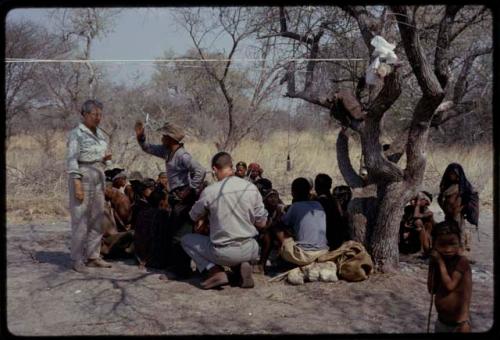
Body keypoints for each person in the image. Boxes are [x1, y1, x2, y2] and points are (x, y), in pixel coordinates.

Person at [181, 152, 268, 289]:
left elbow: (193, 216)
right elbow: (262, 223)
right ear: (231, 167)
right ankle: (242, 265)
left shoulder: (210, 191)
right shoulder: (250, 187)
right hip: (251, 249)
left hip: (224, 252)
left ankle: (214, 271)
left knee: (186, 240)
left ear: (215, 169)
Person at [135, 120, 206, 277]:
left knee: (180, 235)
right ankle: (180, 268)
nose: (161, 138)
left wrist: (189, 190)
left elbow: (200, 171)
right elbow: (147, 148)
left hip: (183, 198)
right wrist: (141, 138)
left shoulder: (182, 155)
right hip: (177, 197)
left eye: (164, 136)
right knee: (176, 232)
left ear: (171, 138)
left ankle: (181, 271)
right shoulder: (167, 151)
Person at [67, 99, 113, 273]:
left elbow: (103, 157)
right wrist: (77, 183)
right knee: (80, 219)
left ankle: (93, 256)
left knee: (97, 217)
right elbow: (72, 159)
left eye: (100, 114)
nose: (98, 118)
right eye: (95, 114)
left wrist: (107, 161)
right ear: (85, 114)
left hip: (98, 174)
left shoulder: (101, 133)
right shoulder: (76, 134)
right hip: (83, 174)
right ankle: (77, 259)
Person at [428, 220, 472, 333]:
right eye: (442, 244)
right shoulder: (440, 262)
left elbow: (450, 286)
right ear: (435, 245)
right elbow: (431, 289)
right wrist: (433, 264)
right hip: (442, 322)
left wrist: (440, 262)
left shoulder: (462, 262)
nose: (448, 249)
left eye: (452, 243)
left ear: (459, 243)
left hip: (459, 325)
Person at [276, 177, 329, 267]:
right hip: (323, 251)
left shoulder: (295, 206)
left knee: (276, 228)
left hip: (305, 255)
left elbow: (283, 223)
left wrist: (278, 213)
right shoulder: (318, 204)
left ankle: (281, 257)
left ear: (293, 192)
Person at [438, 163, 479, 254]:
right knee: (449, 230)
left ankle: (461, 248)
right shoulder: (446, 186)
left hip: (457, 213)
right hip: (448, 213)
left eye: (454, 174)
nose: (451, 176)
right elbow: (441, 198)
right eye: (450, 173)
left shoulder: (463, 186)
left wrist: (460, 209)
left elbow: (468, 198)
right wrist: (444, 208)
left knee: (458, 229)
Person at [399, 191, 435, 256]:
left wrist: (418, 203)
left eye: (417, 199)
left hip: (424, 240)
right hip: (412, 236)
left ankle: (422, 251)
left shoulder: (429, 213)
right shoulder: (408, 209)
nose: (414, 201)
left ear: (426, 202)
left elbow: (416, 215)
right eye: (415, 199)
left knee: (418, 222)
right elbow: (406, 221)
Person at [314, 174, 338, 250]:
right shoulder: (334, 202)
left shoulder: (316, 204)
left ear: (316, 187)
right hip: (335, 241)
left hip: (324, 243)